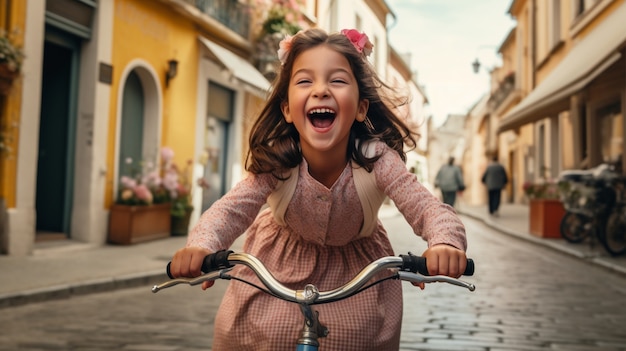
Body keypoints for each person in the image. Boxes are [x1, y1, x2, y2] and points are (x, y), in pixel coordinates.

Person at [169, 28, 468, 351]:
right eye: (305, 81)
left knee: (362, 337)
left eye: (337, 80)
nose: (321, 90)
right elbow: (232, 208)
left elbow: (426, 207)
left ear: (361, 108)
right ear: (286, 109)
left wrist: (445, 243)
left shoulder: (376, 158)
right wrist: (201, 245)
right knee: (247, 333)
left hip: (358, 276)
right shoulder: (279, 159)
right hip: (274, 271)